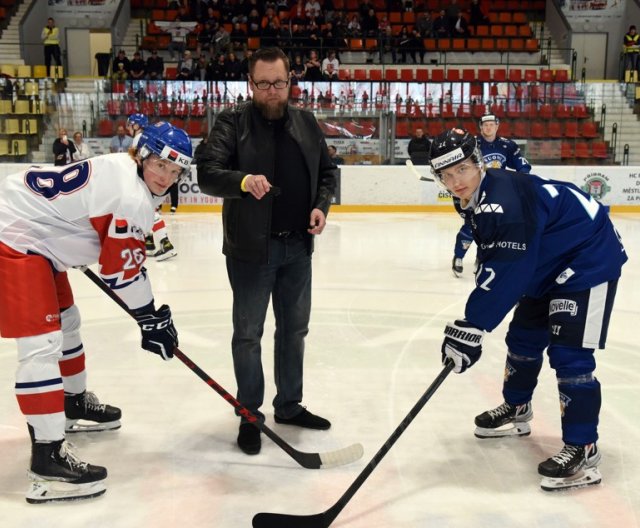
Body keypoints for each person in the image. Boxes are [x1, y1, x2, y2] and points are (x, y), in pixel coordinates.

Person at [0, 121, 192, 503]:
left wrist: (148, 314)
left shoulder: (125, 169)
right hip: (14, 234)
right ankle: (47, 460)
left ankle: (72, 402)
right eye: (161, 165)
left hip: (36, 233)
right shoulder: (128, 195)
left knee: (67, 322)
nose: (166, 178)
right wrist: (150, 316)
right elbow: (121, 272)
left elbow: (117, 257)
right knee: (41, 344)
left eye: (175, 171)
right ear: (142, 155)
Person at [430, 128, 627, 491]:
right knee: (522, 339)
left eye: (461, 170)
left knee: (570, 355)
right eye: (445, 175)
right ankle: (517, 408)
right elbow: (499, 256)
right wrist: (476, 317)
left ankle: (584, 447)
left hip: (586, 259)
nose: (454, 181)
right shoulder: (475, 197)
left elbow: (509, 264)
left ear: (479, 163)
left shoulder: (501, 199)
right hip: (546, 260)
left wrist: (473, 324)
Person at [196, 47, 338, 456]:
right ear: (250, 84)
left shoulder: (307, 123)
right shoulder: (232, 122)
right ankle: (249, 413)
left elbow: (327, 174)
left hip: (298, 249)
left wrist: (320, 206)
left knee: (294, 332)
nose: (272, 92)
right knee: (248, 335)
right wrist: (242, 182)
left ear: (290, 81)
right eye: (263, 84)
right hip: (250, 253)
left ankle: (289, 405)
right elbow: (207, 173)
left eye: (279, 83)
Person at [451, 113, 531, 277]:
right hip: (474, 191)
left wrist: (518, 180)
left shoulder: (507, 145)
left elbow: (522, 167)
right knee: (471, 225)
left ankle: (481, 259)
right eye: (485, 125)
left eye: (491, 125)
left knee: (490, 228)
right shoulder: (471, 144)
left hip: (495, 192)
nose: (488, 128)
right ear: (481, 127)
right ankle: (458, 257)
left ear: (497, 126)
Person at [126, 113, 178, 261]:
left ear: (136, 125)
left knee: (148, 212)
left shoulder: (140, 138)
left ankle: (165, 244)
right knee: (143, 212)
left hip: (147, 183)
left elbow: (137, 162)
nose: (128, 127)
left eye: (130, 124)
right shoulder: (147, 137)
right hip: (151, 183)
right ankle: (149, 244)